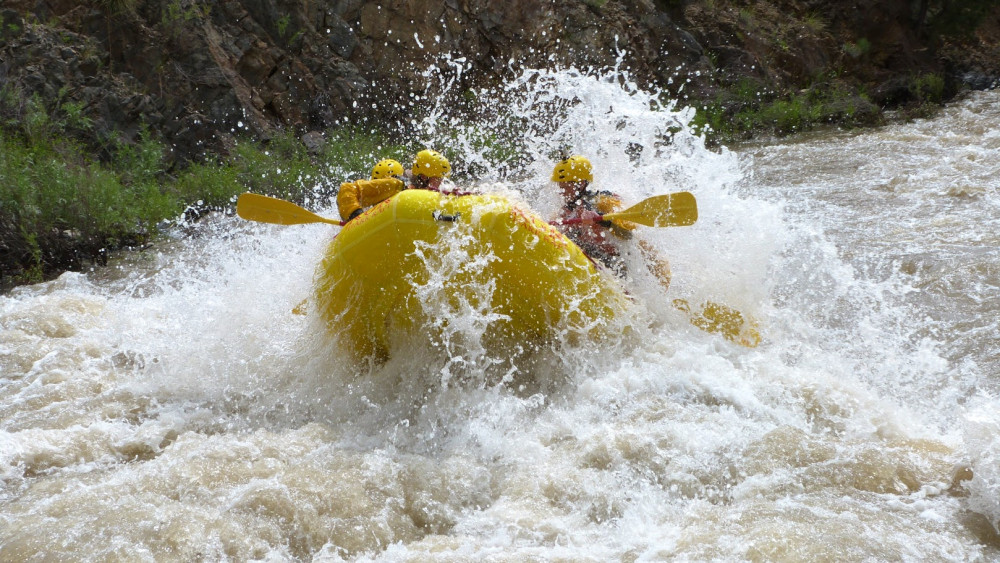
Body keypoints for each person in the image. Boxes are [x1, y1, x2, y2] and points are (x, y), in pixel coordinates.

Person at [551, 155, 671, 289]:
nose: (561, 191)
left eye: (567, 185)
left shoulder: (604, 202)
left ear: (582, 184)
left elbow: (628, 234)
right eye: (560, 185)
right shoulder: (564, 212)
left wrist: (602, 220)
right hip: (589, 258)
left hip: (618, 265)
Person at [337, 150, 451, 222]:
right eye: (438, 179)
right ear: (424, 177)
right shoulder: (396, 185)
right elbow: (347, 189)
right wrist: (356, 216)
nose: (441, 183)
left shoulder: (423, 192)